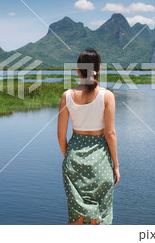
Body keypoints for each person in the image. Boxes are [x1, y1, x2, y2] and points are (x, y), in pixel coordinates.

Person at [57, 48, 120, 225]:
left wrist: (70, 158)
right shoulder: (107, 96)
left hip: (74, 160)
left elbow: (61, 137)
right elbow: (110, 134)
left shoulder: (66, 96)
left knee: (76, 218)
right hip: (100, 161)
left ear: (78, 70)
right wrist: (115, 165)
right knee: (100, 218)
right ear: (98, 70)